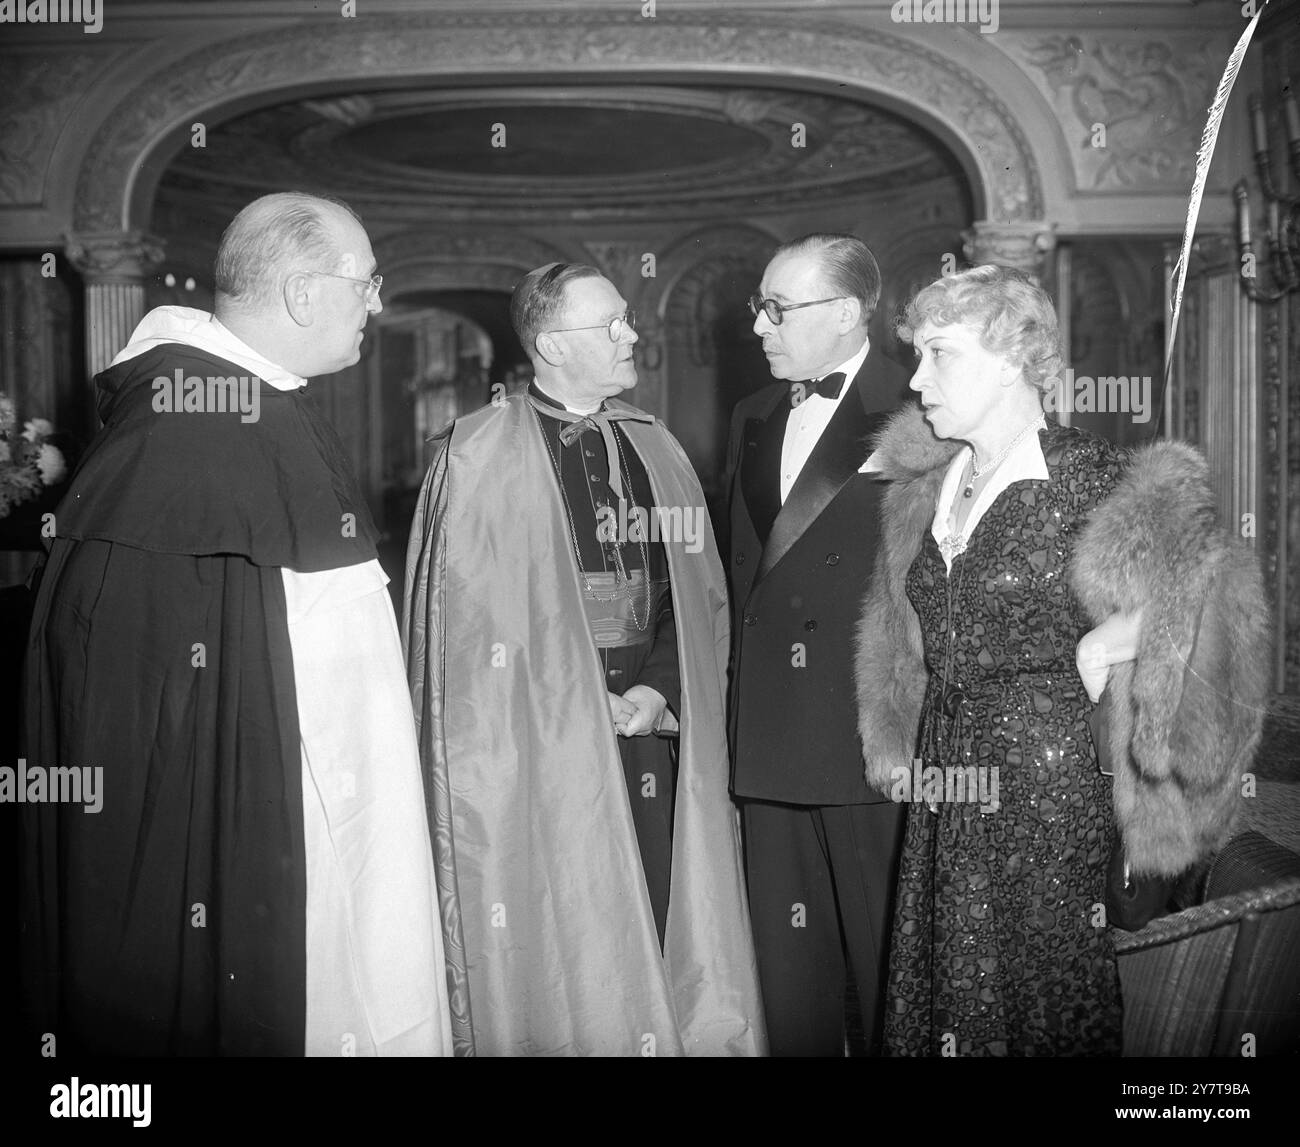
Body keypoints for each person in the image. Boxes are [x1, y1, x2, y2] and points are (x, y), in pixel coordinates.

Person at [20, 192, 452, 1056]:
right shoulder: (194, 427)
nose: (376, 302)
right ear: (301, 294)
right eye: (366, 282)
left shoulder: (255, 403)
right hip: (258, 833)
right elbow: (137, 701)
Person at [854, 264, 1267, 1056]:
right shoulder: (928, 481)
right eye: (917, 354)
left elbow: (1218, 602)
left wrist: (1118, 636)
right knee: (944, 976)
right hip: (947, 767)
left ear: (1012, 356)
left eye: (940, 353)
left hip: (1052, 783)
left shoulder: (1091, 478)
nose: (916, 376)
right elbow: (898, 629)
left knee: (1042, 990)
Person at [403, 261, 765, 1056]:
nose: (633, 334)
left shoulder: (656, 446)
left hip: (646, 725)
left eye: (628, 318)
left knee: (657, 903)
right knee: (562, 923)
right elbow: (463, 628)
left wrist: (657, 688)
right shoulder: (471, 454)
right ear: (549, 343)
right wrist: (566, 695)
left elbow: (695, 595)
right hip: (534, 741)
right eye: (611, 325)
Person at [724, 233, 912, 1056]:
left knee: (884, 972)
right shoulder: (754, 414)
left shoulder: (922, 405)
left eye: (778, 307)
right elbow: (739, 577)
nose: (759, 326)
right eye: (759, 306)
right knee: (786, 979)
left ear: (846, 312)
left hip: (865, 737)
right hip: (767, 738)